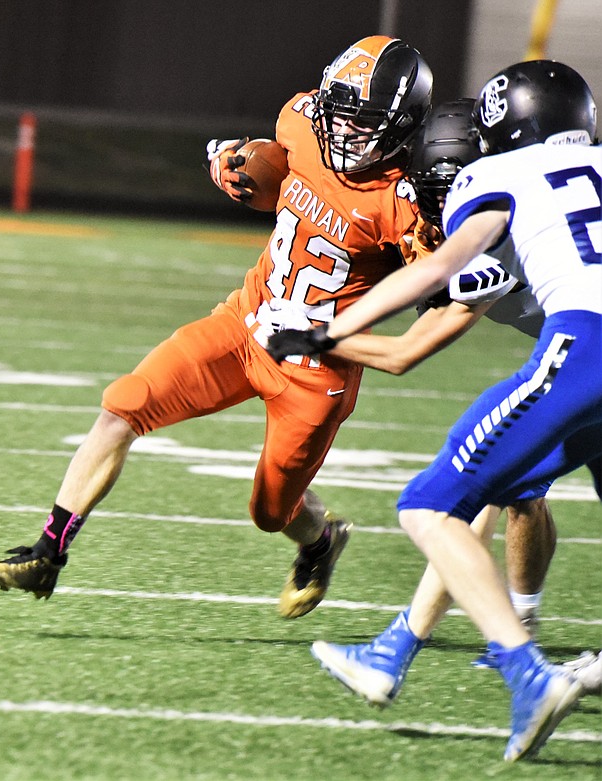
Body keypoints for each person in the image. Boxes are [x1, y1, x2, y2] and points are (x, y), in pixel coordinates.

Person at [0, 35, 433, 618]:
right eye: (337, 114)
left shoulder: (405, 199)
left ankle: (320, 539)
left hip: (316, 370)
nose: (343, 133)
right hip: (245, 322)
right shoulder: (301, 122)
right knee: (124, 405)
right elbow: (276, 172)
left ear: (402, 128)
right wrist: (234, 166)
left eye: (362, 124)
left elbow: (434, 293)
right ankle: (48, 550)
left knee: (272, 512)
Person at [265, 60, 601, 761]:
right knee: (491, 486)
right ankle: (395, 651)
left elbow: (435, 277)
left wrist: (327, 331)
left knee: (430, 502)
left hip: (587, 352)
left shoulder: (497, 183)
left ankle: (525, 670)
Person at [320, 98, 562, 684]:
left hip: (585, 354)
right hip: (581, 350)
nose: (427, 205)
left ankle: (398, 655)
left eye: (435, 189)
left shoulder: (497, 221)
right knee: (507, 484)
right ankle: (494, 634)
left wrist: (311, 337)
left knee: (452, 494)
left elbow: (406, 351)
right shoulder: (539, 189)